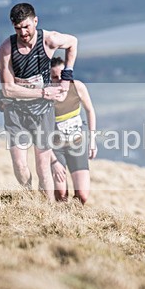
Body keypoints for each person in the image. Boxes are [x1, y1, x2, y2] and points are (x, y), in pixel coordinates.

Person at [0, 2, 78, 201]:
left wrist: (66, 79)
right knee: (20, 165)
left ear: (35, 21)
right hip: (15, 110)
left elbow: (73, 42)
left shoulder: (49, 39)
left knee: (43, 167)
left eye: (26, 26)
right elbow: (8, 88)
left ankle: (47, 208)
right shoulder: (7, 48)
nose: (23, 32)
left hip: (42, 112)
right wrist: (43, 92)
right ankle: (28, 200)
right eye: (18, 28)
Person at [48, 57, 97, 203]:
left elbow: (90, 111)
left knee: (82, 195)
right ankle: (62, 221)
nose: (59, 81)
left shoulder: (78, 87)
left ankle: (75, 218)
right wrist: (53, 160)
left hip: (77, 145)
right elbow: (38, 131)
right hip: (55, 149)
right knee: (61, 195)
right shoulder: (45, 96)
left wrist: (92, 140)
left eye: (63, 76)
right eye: (54, 77)